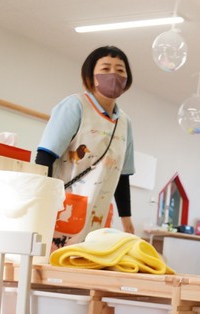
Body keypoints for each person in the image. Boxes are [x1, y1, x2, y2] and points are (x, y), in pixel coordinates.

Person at [35, 45, 135, 248]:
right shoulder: (75, 106)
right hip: (62, 208)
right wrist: (41, 204)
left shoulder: (125, 122)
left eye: (120, 70)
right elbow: (45, 157)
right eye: (105, 68)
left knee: (86, 261)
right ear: (90, 75)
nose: (113, 75)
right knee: (53, 260)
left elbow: (122, 175)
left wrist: (127, 220)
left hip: (98, 214)